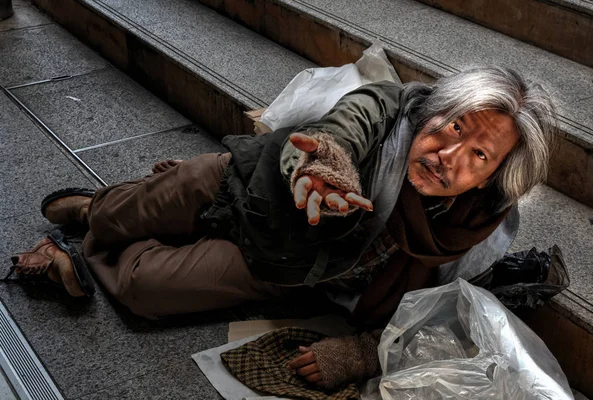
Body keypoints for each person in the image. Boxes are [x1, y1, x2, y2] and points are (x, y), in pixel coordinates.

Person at [7, 66, 557, 388]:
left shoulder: (477, 229)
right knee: (122, 213)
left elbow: (441, 314)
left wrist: (364, 353)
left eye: (479, 154)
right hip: (244, 185)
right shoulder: (393, 108)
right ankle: (98, 211)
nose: (448, 154)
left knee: (141, 290)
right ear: (433, 112)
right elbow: (350, 120)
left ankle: (105, 225)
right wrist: (329, 160)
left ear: (492, 178)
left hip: (282, 263)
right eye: (451, 125)